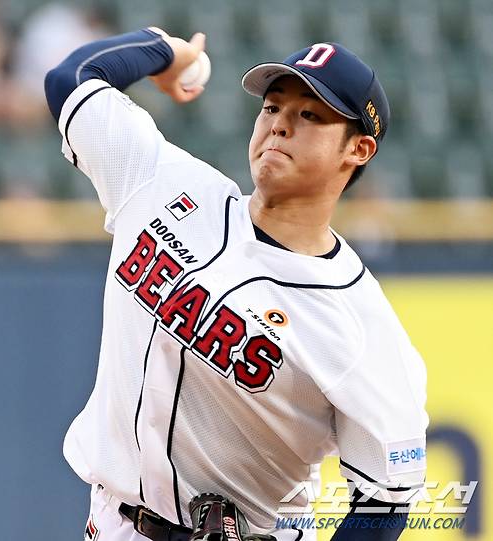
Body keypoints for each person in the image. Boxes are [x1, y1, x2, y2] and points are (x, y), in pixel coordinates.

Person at [44, 27, 428, 541]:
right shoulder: (161, 182)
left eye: (309, 115)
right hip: (109, 523)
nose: (280, 126)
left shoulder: (359, 325)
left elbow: (385, 501)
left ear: (358, 149)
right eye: (272, 108)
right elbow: (70, 80)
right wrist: (164, 49)